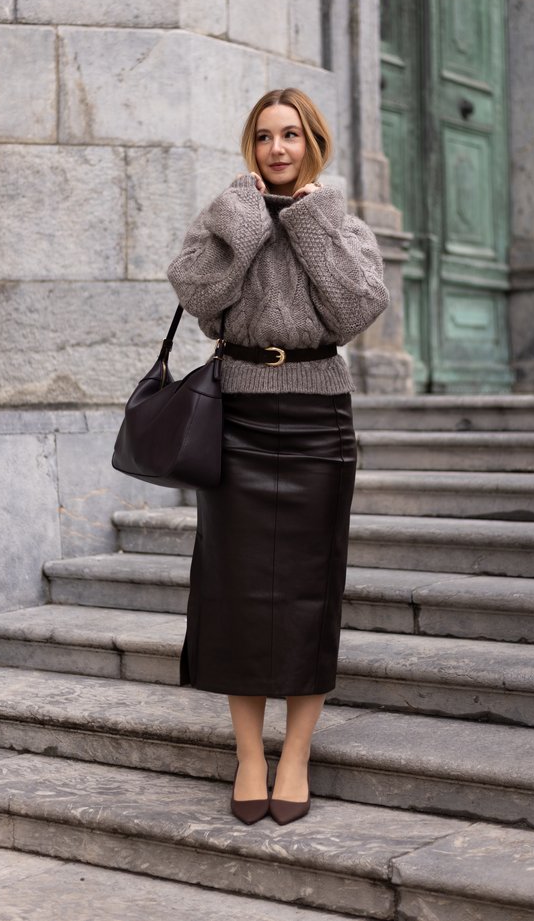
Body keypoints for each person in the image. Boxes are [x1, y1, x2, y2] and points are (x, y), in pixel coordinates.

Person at [166, 87, 389, 826]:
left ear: (312, 143)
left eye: (291, 135)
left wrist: (308, 220)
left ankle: (293, 752)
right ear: (251, 146)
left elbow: (354, 308)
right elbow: (198, 295)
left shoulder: (340, 223)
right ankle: (249, 754)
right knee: (233, 593)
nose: (277, 148)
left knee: (306, 593)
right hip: (238, 416)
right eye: (264, 136)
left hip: (318, 419)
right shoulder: (228, 217)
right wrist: (243, 219)